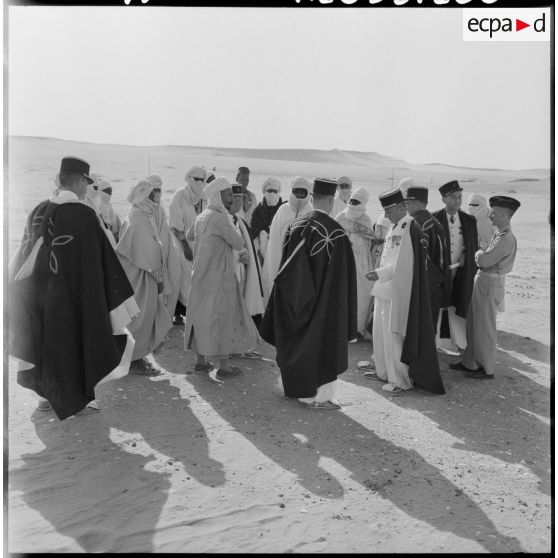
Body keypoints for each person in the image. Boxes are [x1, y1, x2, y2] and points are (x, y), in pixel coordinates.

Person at [9, 156, 139, 419]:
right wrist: (110, 297)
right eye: (85, 183)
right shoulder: (84, 215)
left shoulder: (38, 210)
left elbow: (23, 255)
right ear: (80, 182)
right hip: (74, 298)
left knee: (42, 342)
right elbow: (101, 261)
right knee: (79, 343)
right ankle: (79, 401)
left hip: (37, 296)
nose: (85, 189)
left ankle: (44, 399)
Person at [260, 178, 358, 410]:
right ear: (332, 200)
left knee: (294, 341)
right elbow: (343, 280)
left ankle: (292, 389)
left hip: (291, 299)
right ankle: (317, 397)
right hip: (322, 304)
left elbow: (283, 264)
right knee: (320, 345)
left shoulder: (296, 225)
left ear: (312, 197)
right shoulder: (336, 233)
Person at [365, 188, 445, 395]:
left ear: (402, 207)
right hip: (384, 288)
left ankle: (399, 379)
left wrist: (379, 273)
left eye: (389, 210)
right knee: (380, 335)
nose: (386, 215)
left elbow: (404, 266)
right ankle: (383, 372)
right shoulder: (394, 226)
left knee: (394, 337)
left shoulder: (410, 227)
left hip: (396, 290)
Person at [184, 177, 260, 378]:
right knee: (223, 317)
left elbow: (189, 235)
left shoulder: (203, 216)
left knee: (201, 317)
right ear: (217, 196)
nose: (230, 199)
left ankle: (200, 362)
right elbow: (237, 242)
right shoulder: (219, 217)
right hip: (219, 277)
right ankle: (224, 367)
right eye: (227, 195)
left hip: (200, 275)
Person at [450, 196, 520, 379]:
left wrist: (478, 253)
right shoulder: (499, 234)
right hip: (484, 281)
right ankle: (471, 363)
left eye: (495, 213)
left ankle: (486, 368)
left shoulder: (505, 239)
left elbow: (484, 259)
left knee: (485, 327)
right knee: (474, 324)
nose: (491, 216)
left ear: (505, 215)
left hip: (490, 283)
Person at [116, 179, 173, 375]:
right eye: (153, 193)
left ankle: (137, 358)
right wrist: (159, 277)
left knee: (144, 316)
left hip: (141, 276)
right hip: (139, 278)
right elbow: (149, 253)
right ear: (145, 196)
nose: (157, 196)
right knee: (139, 319)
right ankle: (134, 360)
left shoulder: (140, 215)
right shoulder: (139, 219)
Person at [432, 180, 478, 352]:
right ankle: (436, 343)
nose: (457, 201)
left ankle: (459, 343)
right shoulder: (434, 218)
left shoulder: (468, 220)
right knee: (438, 305)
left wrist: (467, 255)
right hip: (440, 273)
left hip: (460, 272)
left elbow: (472, 244)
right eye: (453, 197)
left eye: (460, 197)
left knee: (458, 304)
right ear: (444, 199)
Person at [336, 187, 383, 340]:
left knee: (362, 292)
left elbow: (370, 237)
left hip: (362, 260)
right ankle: (342, 327)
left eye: (357, 201)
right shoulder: (340, 216)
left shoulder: (365, 219)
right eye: (352, 201)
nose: (353, 204)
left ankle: (357, 328)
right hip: (344, 257)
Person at [262, 176, 312, 300]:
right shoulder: (283, 210)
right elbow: (274, 241)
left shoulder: (311, 211)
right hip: (281, 258)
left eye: (303, 192)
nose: (299, 195)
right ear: (292, 192)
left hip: (303, 262)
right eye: (296, 192)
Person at [146, 174, 189, 321]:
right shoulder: (143, 211)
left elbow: (165, 234)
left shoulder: (161, 210)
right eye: (154, 190)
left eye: (159, 189)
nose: (157, 193)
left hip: (164, 257)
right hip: (149, 261)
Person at [404, 184, 447, 329]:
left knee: (419, 324)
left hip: (424, 281)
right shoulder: (434, 221)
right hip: (436, 280)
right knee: (429, 324)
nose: (406, 207)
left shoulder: (418, 225)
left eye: (408, 203)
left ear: (416, 203)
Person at [168, 165, 207, 324]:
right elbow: (175, 224)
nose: (199, 182)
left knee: (197, 281)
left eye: (202, 179)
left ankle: (194, 314)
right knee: (182, 279)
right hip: (182, 245)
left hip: (201, 247)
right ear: (189, 179)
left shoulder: (205, 197)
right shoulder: (179, 196)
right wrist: (184, 245)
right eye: (196, 179)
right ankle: (178, 314)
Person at [230, 183, 265, 331]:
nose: (239, 202)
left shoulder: (239, 220)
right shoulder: (223, 219)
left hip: (241, 269)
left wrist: (244, 253)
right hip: (229, 270)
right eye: (236, 198)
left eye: (241, 198)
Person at [250, 177, 284, 265]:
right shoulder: (258, 211)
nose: (272, 193)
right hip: (260, 252)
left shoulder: (284, 210)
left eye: (275, 191)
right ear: (264, 192)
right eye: (269, 191)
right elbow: (253, 230)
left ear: (279, 192)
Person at [97, 178, 122, 242]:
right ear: (99, 191)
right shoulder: (96, 208)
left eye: (110, 191)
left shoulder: (111, 208)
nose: (109, 193)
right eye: (106, 191)